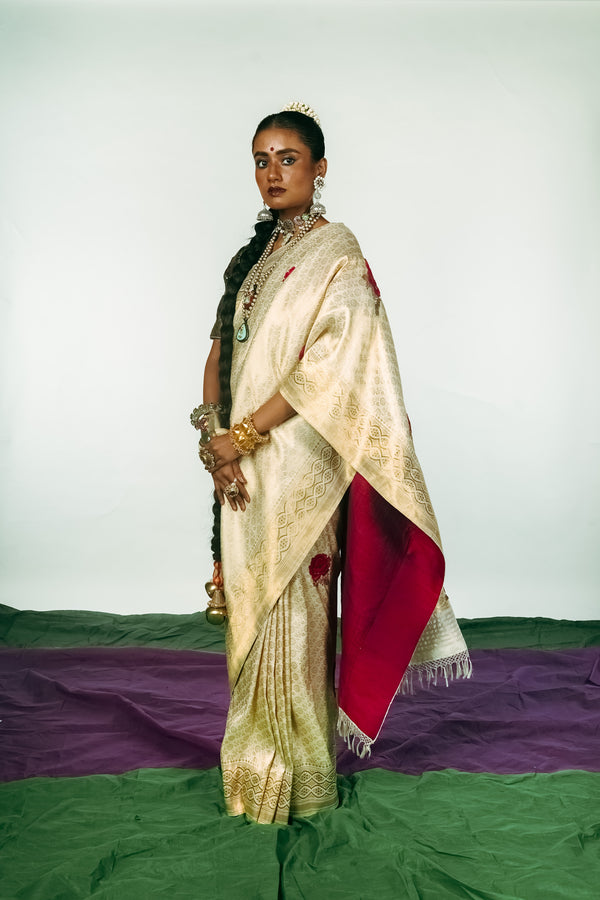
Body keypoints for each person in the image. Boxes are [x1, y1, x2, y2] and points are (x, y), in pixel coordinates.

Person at [196, 102, 471, 825]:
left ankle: (300, 772)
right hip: (240, 465)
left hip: (300, 465)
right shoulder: (252, 259)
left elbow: (332, 364)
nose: (272, 172)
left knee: (297, 607)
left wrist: (246, 436)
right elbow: (222, 352)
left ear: (320, 170)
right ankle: (249, 761)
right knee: (251, 610)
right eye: (261, 159)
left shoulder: (337, 252)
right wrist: (211, 438)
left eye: (288, 158)